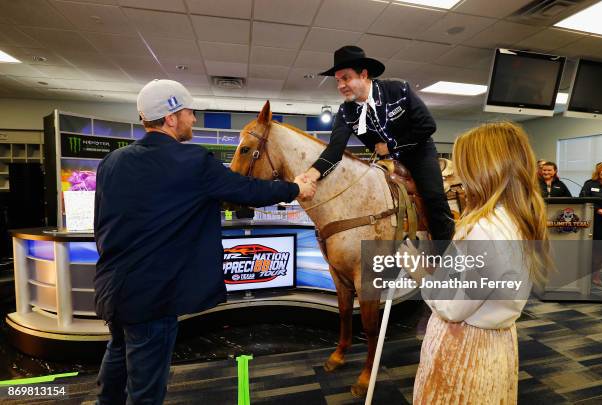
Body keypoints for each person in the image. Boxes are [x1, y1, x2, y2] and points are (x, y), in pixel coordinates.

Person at [93, 79, 316, 404]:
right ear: (170, 118)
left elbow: (102, 226)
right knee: (145, 392)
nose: (194, 119)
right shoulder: (193, 161)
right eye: (189, 112)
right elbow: (249, 190)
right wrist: (295, 189)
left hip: (113, 290)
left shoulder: (112, 162)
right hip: (152, 298)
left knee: (116, 365)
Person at [399, 122, 551, 404]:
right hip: (495, 342)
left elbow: (452, 307)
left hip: (466, 345)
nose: (455, 174)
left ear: (484, 169)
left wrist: (418, 271)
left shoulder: (485, 229)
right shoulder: (517, 218)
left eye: (462, 165)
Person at [300, 46, 454, 241]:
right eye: (338, 81)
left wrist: (391, 146)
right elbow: (334, 150)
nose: (340, 86)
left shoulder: (398, 90)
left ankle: (447, 253)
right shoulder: (346, 112)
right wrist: (312, 174)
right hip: (386, 163)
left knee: (434, 198)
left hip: (419, 154)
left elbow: (427, 126)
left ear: (363, 75)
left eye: (345, 78)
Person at [579, 161, 602, 286]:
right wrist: (601, 211)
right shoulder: (590, 184)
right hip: (596, 221)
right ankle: (595, 276)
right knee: (598, 250)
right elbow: (584, 199)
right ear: (598, 171)